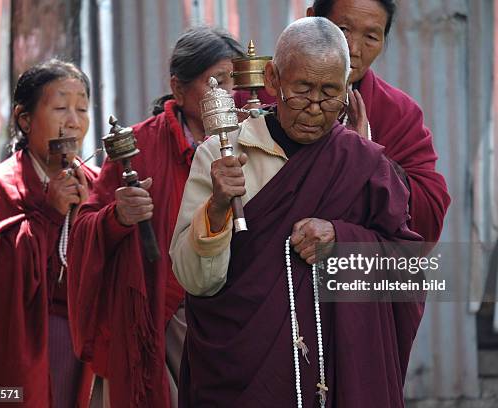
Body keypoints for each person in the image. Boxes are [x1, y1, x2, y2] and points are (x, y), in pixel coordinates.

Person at [170, 17, 424, 407]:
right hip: (238, 373)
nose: (316, 108)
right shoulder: (224, 155)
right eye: (303, 89)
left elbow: (409, 274)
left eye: (329, 93)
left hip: (335, 376)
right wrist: (218, 207)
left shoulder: (362, 164)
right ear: (273, 79)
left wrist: (343, 241)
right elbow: (195, 280)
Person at [67, 26, 245, 407]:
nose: (226, 94)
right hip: (155, 315)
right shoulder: (139, 146)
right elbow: (84, 227)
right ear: (178, 89)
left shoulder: (250, 140)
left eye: (232, 81)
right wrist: (118, 216)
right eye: (214, 81)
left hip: (230, 314)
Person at [234, 0, 450, 244]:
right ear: (312, 18)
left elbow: (426, 222)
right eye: (343, 29)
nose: (354, 49)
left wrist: (367, 157)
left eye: (370, 36)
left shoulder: (398, 114)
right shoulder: (263, 94)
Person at [0, 59, 97, 407]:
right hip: (23, 345)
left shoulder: (97, 183)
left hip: (84, 346)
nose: (73, 120)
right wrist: (47, 213)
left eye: (82, 108)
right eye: (60, 108)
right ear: (25, 119)